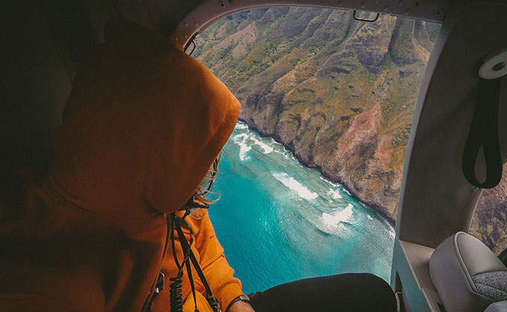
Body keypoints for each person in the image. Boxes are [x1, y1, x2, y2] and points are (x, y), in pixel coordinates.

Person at [0, 18, 396, 312]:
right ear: (150, 151)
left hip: (213, 302)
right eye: (197, 159)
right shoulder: (50, 274)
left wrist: (234, 300)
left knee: (371, 295)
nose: (204, 176)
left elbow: (204, 250)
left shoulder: (165, 201)